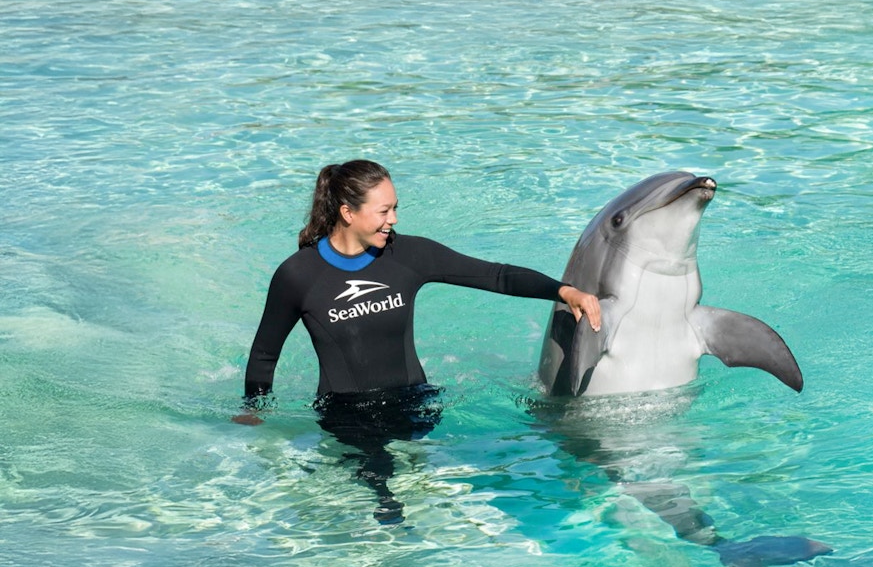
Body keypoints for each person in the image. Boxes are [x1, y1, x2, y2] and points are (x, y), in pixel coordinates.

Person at [236, 159, 601, 523]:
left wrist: (564, 291)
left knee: (450, 482)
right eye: (384, 211)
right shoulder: (299, 275)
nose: (393, 219)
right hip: (346, 414)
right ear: (348, 213)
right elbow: (266, 353)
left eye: (395, 208)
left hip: (415, 403)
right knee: (386, 497)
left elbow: (494, 275)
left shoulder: (406, 255)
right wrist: (255, 410)